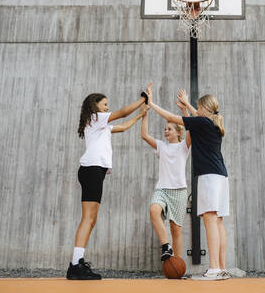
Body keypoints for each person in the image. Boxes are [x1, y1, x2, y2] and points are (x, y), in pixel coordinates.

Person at [147, 84, 231, 280]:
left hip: (209, 176)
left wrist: (152, 104)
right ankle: (221, 267)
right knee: (218, 222)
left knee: (210, 219)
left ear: (204, 109)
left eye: (197, 106)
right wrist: (187, 107)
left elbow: (175, 118)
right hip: (221, 176)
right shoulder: (214, 123)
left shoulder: (202, 122)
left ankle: (213, 269)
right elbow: (197, 118)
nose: (196, 109)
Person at [66, 84, 150, 280]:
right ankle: (75, 265)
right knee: (88, 218)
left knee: (91, 219)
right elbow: (121, 113)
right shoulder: (95, 118)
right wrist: (143, 99)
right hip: (92, 170)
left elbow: (121, 126)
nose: (106, 107)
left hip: (94, 170)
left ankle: (77, 262)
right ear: (94, 105)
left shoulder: (99, 124)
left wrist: (140, 116)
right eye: (104, 104)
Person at [140, 101, 191, 262]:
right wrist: (145, 113)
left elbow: (191, 128)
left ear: (178, 132)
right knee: (154, 210)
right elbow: (144, 135)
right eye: (165, 129)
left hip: (179, 191)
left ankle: (178, 265)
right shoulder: (161, 146)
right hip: (162, 189)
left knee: (176, 230)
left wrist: (184, 111)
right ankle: (165, 246)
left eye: (169, 129)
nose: (165, 131)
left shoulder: (184, 146)